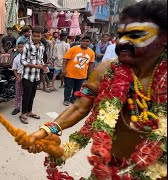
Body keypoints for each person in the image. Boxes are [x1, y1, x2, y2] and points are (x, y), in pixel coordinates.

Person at [17, 0, 167, 179]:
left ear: (163, 38)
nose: (123, 42)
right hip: (108, 166)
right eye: (120, 35)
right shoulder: (106, 70)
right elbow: (79, 107)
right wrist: (45, 132)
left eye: (136, 35)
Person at [19, 26, 48, 124]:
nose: (35, 38)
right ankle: (23, 114)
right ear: (31, 35)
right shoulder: (26, 46)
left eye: (38, 36)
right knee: (26, 95)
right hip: (27, 76)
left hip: (36, 76)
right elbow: (22, 61)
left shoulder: (42, 47)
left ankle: (29, 111)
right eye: (34, 36)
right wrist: (36, 66)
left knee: (32, 95)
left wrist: (44, 66)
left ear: (41, 36)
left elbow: (40, 60)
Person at [62, 36, 95, 106]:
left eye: (87, 41)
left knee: (78, 88)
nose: (85, 43)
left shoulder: (91, 52)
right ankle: (66, 99)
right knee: (68, 87)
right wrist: (63, 69)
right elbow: (65, 59)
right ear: (81, 41)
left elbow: (91, 64)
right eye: (84, 41)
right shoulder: (73, 49)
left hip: (82, 74)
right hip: (70, 73)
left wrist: (91, 75)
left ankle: (73, 99)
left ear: (90, 43)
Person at [11, 41, 25, 115]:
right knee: (18, 93)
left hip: (26, 76)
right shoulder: (16, 58)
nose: (20, 48)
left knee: (26, 93)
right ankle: (17, 108)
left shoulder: (28, 57)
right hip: (19, 76)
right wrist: (18, 77)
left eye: (22, 47)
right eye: (19, 47)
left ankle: (25, 108)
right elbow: (14, 70)